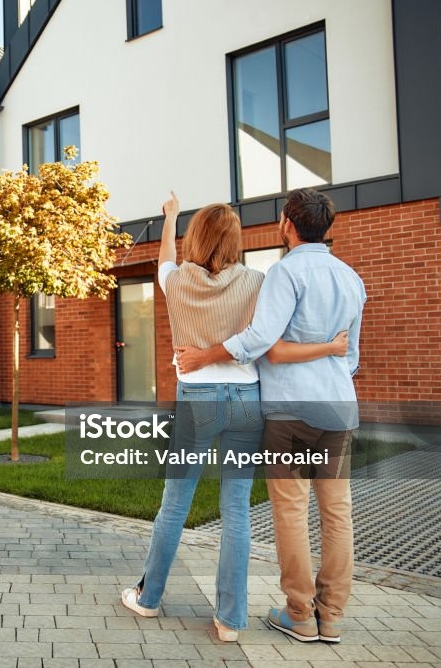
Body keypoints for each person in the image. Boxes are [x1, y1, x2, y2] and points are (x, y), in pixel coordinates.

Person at [121, 193, 346, 642]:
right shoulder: (258, 282)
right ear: (234, 240)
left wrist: (170, 218)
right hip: (247, 399)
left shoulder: (176, 281)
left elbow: (164, 258)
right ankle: (230, 620)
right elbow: (267, 335)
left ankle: (148, 598)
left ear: (196, 238)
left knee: (175, 504)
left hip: (197, 400)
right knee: (236, 508)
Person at [176, 187, 365, 644]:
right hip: (339, 407)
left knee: (292, 512)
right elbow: (351, 356)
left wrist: (205, 356)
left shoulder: (284, 273)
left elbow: (262, 341)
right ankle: (332, 617)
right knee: (338, 513)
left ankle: (300, 614)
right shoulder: (351, 278)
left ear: (287, 224)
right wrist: (326, 357)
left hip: (290, 412)